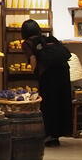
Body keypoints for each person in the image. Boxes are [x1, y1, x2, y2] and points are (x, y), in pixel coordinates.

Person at [20, 18, 72, 146]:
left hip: (48, 74)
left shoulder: (27, 43)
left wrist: (34, 73)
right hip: (63, 72)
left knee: (48, 104)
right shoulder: (48, 38)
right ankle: (57, 135)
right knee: (61, 102)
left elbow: (33, 59)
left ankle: (48, 135)